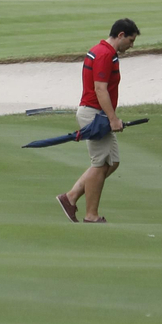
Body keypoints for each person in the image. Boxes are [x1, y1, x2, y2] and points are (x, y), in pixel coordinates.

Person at [56, 18, 139, 224]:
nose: (131, 45)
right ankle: (90, 215)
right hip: (94, 114)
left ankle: (71, 197)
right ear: (120, 35)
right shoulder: (104, 54)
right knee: (100, 164)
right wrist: (113, 119)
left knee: (112, 161)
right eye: (130, 40)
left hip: (96, 113)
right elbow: (100, 89)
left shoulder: (103, 51)